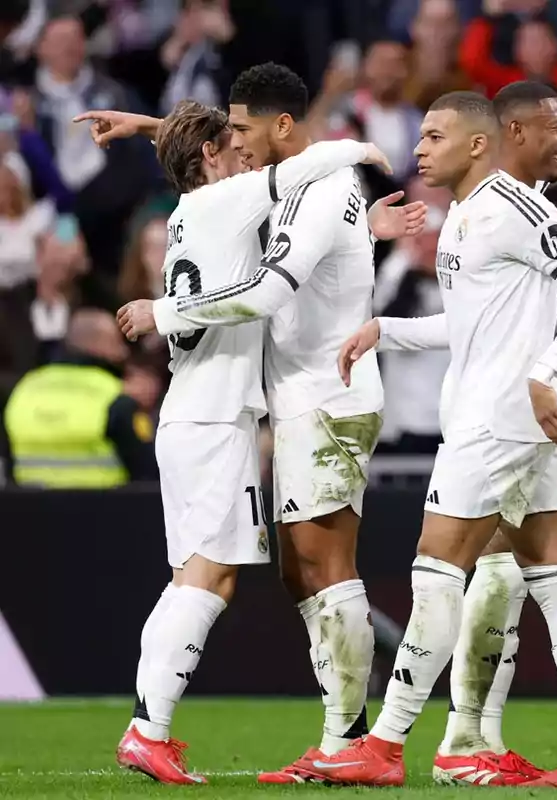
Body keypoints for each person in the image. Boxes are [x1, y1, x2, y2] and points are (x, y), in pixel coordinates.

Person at [106, 63, 427, 783]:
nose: (240, 144)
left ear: (276, 127)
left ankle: (347, 741)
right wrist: (357, 151)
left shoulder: (237, 200)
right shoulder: (247, 194)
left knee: (298, 568)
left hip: (311, 399)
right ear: (211, 157)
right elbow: (278, 162)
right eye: (230, 137)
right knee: (236, 575)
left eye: (247, 128)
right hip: (235, 411)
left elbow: (276, 278)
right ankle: (155, 727)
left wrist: (355, 208)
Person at [307, 91, 557, 788]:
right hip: (502, 418)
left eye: (434, 135)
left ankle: (385, 746)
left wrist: (550, 373)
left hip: (496, 422)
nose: (418, 149)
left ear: (480, 143)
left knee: (437, 572)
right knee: (556, 577)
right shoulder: (466, 218)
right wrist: (388, 330)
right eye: (418, 135)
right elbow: (472, 325)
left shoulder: (513, 207)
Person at [4, 308, 156, 488]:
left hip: (29, 512)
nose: (123, 352)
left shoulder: (24, 389)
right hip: (105, 511)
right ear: (98, 344)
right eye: (116, 342)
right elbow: (148, 474)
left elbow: (8, 465)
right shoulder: (119, 399)